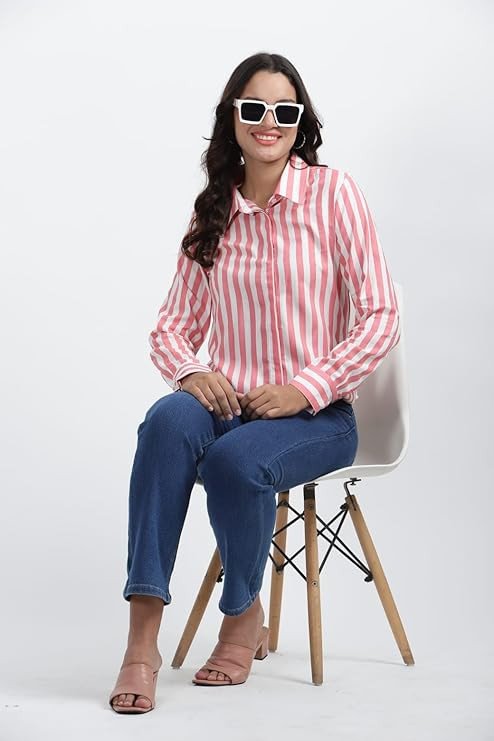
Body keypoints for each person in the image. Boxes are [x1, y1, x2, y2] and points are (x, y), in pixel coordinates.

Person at [109, 51, 400, 713]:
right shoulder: (213, 211)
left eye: (285, 110)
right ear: (232, 118)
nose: (269, 121)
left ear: (300, 122)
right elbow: (171, 327)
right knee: (165, 421)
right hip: (231, 403)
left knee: (235, 460)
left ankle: (242, 614)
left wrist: (307, 386)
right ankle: (140, 642)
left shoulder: (334, 195)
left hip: (318, 416)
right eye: (254, 108)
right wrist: (192, 371)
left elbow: (381, 313)